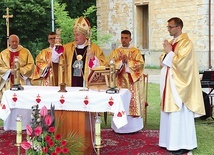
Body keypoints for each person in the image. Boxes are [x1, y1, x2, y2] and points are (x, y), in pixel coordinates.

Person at [159, 17, 205, 154]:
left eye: (170, 27)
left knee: (179, 114)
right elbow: (162, 60)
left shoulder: (186, 43)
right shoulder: (172, 42)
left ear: (178, 27)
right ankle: (168, 141)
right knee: (170, 114)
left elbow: (182, 64)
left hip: (179, 85)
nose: (168, 29)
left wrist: (169, 52)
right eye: (168, 27)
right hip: (169, 82)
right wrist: (166, 53)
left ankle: (182, 144)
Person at [109, 30, 145, 133]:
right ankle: (119, 127)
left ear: (130, 39)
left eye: (126, 38)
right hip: (119, 81)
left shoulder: (135, 51)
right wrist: (120, 62)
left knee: (131, 101)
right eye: (122, 38)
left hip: (131, 82)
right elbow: (111, 64)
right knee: (120, 102)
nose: (123, 40)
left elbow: (141, 64)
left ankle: (133, 127)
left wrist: (128, 62)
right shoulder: (116, 51)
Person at [0, 34, 34, 100]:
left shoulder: (26, 52)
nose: (14, 43)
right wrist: (9, 71)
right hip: (8, 81)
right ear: (9, 42)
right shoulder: (3, 54)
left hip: (21, 80)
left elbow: (31, 65)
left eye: (16, 41)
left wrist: (18, 71)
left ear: (18, 42)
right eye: (12, 41)